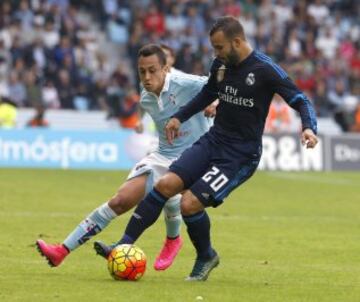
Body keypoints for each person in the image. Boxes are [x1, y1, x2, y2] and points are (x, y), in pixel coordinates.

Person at [94, 16, 318, 281]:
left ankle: (206, 256)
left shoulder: (266, 69)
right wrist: (179, 116)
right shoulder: (221, 65)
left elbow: (300, 99)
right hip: (213, 140)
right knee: (165, 186)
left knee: (188, 204)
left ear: (237, 42)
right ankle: (122, 246)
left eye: (220, 47)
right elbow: (207, 93)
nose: (216, 53)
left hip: (240, 155)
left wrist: (308, 127)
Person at [36, 44, 214, 271]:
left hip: (197, 155)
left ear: (166, 69)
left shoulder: (186, 84)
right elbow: (152, 111)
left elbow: (217, 87)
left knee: (170, 192)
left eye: (153, 70)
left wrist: (214, 103)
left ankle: (171, 240)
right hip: (164, 155)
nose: (147, 77)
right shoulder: (146, 95)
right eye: (142, 71)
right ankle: (61, 251)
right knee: (120, 200)